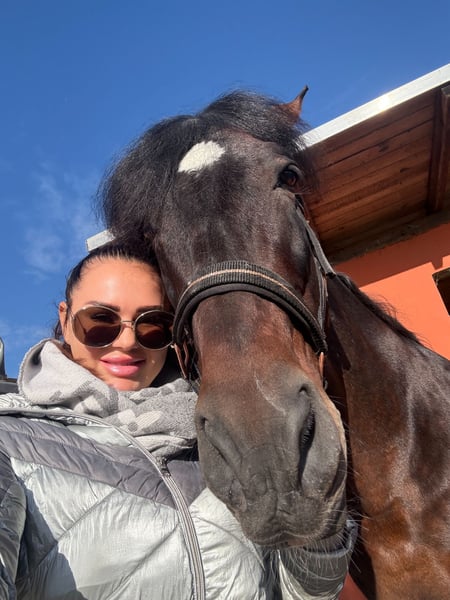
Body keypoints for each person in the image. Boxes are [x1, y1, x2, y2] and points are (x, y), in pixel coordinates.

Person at [0, 243, 357, 599]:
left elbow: (301, 594)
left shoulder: (223, 433)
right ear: (65, 320)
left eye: (152, 324)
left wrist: (319, 521)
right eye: (101, 321)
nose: (128, 342)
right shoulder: (11, 440)